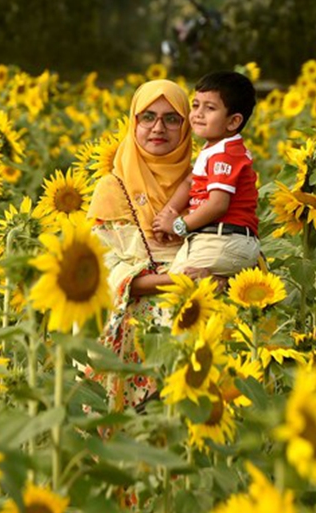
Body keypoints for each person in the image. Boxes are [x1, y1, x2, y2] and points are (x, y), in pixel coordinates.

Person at [85, 80, 192, 411]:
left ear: (187, 126)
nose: (158, 128)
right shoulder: (112, 189)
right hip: (131, 342)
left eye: (171, 118)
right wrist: (177, 281)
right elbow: (102, 272)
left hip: (197, 337)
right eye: (148, 117)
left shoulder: (208, 184)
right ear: (134, 122)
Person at [152, 71, 261, 281]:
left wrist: (178, 225)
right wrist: (166, 215)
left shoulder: (225, 154)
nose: (198, 114)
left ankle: (210, 279)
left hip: (222, 240)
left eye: (209, 108)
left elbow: (218, 204)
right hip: (223, 240)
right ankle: (216, 280)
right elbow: (189, 181)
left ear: (233, 121)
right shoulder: (215, 147)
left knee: (178, 290)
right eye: (195, 105)